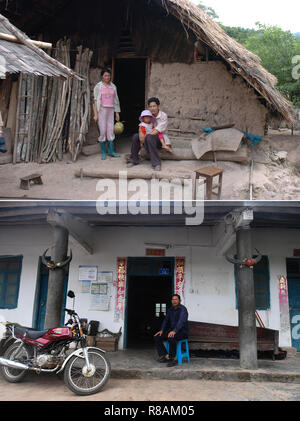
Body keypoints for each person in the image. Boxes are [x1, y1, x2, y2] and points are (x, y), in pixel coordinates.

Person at [128, 97, 172, 171]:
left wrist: (145, 138)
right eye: (150, 106)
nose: (152, 108)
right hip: (147, 139)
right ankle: (134, 159)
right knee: (135, 136)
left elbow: (158, 130)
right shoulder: (147, 115)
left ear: (158, 106)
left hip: (160, 139)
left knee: (150, 137)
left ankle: (156, 163)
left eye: (154, 106)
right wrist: (141, 134)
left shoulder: (163, 116)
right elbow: (142, 127)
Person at [93, 68, 121, 160]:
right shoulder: (98, 86)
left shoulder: (113, 86)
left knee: (110, 130)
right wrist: (95, 114)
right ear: (102, 76)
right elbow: (95, 101)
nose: (107, 77)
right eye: (105, 75)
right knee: (102, 130)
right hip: (102, 110)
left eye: (108, 75)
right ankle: (103, 152)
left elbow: (116, 100)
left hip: (111, 110)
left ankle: (111, 151)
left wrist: (117, 113)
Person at [154, 294, 189, 367]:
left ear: (180, 301)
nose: (174, 301)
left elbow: (181, 321)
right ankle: (166, 356)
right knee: (157, 336)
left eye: (176, 299)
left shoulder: (183, 309)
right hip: (172, 331)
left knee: (171, 337)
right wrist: (162, 330)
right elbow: (166, 320)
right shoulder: (170, 310)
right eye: (173, 299)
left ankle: (174, 359)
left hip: (182, 332)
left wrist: (175, 331)